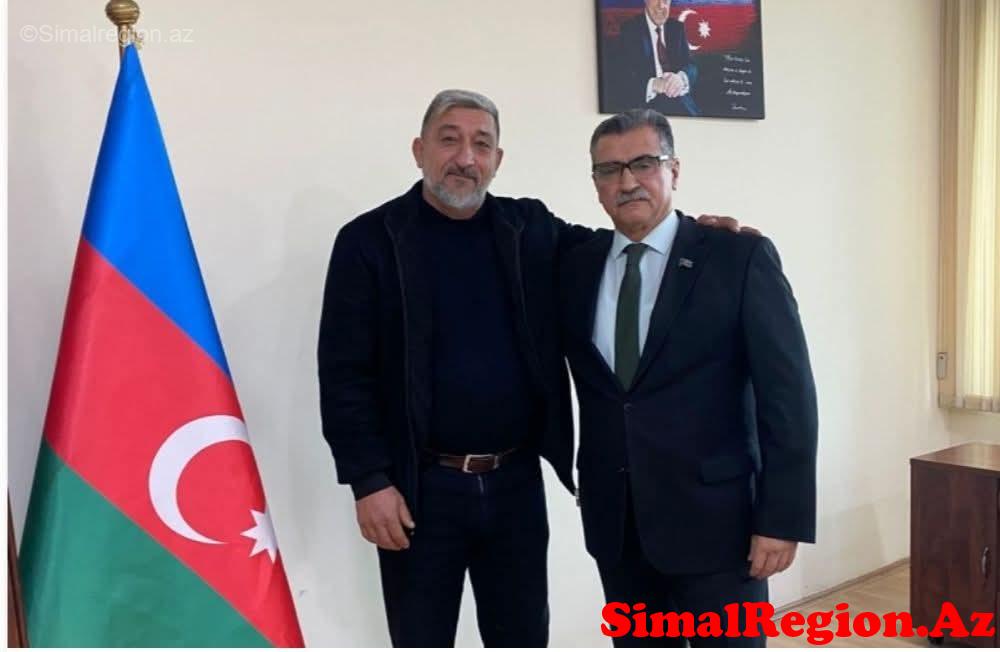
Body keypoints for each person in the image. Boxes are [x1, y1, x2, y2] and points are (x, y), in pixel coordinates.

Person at [317, 90, 744, 647]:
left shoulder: (529, 229)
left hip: (515, 485)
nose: (466, 157)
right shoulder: (369, 242)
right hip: (419, 490)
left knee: (522, 637)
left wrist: (701, 238)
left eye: (482, 144)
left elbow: (620, 248)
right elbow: (344, 375)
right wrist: (369, 481)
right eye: (449, 140)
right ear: (419, 150)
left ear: (497, 159)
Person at [559, 109, 817, 647]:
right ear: (595, 184)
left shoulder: (737, 257)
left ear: (673, 170)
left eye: (643, 163)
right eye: (609, 170)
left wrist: (782, 517)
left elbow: (788, 396)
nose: (627, 181)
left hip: (721, 532)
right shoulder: (575, 266)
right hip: (619, 529)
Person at [604, 0, 700, 116]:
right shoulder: (629, 29)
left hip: (680, 100)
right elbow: (620, 76)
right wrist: (653, 84)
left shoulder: (676, 28)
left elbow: (691, 65)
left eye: (665, 0)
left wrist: (680, 78)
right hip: (646, 105)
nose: (661, 5)